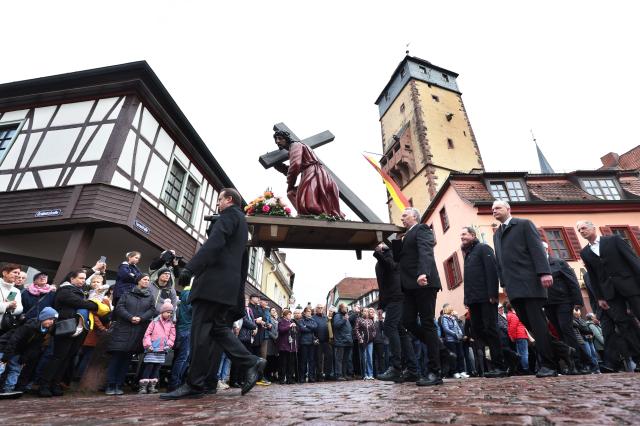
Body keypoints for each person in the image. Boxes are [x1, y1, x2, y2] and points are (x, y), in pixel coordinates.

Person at [161, 188, 266, 400]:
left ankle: (194, 384)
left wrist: (190, 269)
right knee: (218, 330)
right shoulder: (241, 224)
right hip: (225, 288)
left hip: (211, 286)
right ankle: (249, 363)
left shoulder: (228, 217)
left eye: (219, 199)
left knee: (199, 336)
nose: (217, 203)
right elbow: (242, 262)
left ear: (229, 200)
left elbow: (213, 243)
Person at [492, 200, 557, 377]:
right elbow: (500, 262)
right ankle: (565, 352)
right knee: (532, 326)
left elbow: (537, 249)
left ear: (508, 209)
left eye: (498, 207)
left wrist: (544, 272)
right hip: (513, 287)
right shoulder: (497, 234)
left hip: (530, 283)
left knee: (538, 325)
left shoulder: (523, 224)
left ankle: (549, 365)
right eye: (492, 209)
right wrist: (503, 283)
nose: (494, 211)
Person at [577, 220, 640, 367]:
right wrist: (599, 297)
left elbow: (632, 260)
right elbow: (593, 276)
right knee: (623, 324)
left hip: (630, 285)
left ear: (593, 227)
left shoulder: (613, 240)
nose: (581, 231)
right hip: (609, 293)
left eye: (584, 228)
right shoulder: (585, 252)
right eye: (579, 230)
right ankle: (638, 358)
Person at [393, 207, 443, 386]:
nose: (402, 218)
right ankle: (441, 349)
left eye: (405, 215)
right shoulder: (405, 237)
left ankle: (434, 372)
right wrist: (388, 246)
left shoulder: (422, 229)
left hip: (424, 282)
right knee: (407, 321)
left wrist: (423, 273)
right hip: (409, 287)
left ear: (414, 216)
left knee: (428, 323)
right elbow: (399, 259)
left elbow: (425, 251)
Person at [38, 270, 99, 397]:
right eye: (81, 278)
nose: (83, 280)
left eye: (84, 278)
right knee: (58, 357)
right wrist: (92, 303)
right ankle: (44, 385)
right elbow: (81, 303)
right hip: (65, 327)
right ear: (71, 278)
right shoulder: (65, 290)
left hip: (79, 328)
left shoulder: (80, 292)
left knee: (68, 357)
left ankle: (55, 384)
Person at [460, 227, 507, 378]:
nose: (462, 237)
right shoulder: (468, 254)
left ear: (473, 235)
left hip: (486, 298)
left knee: (491, 329)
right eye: (461, 235)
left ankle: (500, 366)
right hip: (473, 300)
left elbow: (492, 271)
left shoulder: (483, 248)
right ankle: (509, 356)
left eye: (464, 234)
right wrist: (466, 299)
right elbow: (469, 280)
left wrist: (493, 293)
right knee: (478, 330)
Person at [542, 241, 589, 374]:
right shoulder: (537, 266)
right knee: (559, 332)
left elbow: (572, 280)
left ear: (545, 250)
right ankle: (572, 362)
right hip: (548, 303)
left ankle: (579, 362)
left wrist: (578, 301)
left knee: (566, 329)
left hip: (564, 301)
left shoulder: (558, 262)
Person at [374, 243, 419, 383]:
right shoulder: (379, 262)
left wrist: (381, 253)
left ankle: (396, 368)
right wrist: (381, 305)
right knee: (400, 331)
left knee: (390, 327)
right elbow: (382, 285)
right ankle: (412, 370)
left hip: (397, 297)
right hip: (390, 299)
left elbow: (391, 266)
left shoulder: (391, 255)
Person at [273, 129, 343, 218]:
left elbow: (295, 165)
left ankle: (314, 216)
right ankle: (312, 216)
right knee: (293, 194)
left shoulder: (295, 145)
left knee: (309, 203)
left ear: (286, 138)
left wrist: (290, 184)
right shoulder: (296, 148)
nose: (277, 141)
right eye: (276, 140)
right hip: (313, 173)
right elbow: (294, 169)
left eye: (280, 138)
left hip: (313, 173)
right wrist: (280, 167)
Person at [105, 273, 155, 396]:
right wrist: (130, 317)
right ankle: (110, 385)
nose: (146, 281)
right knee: (116, 358)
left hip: (138, 331)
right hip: (123, 329)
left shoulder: (150, 297)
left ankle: (119, 384)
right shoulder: (127, 294)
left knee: (127, 360)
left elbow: (152, 310)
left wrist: (141, 318)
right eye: (144, 279)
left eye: (148, 280)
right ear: (138, 280)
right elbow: (119, 307)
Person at [0, 307, 58, 394]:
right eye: (50, 319)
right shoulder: (29, 326)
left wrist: (25, 357)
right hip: (5, 347)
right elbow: (14, 339)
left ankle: (9, 388)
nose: (51, 322)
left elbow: (33, 347)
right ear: (43, 317)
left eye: (53, 320)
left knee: (16, 369)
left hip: (18, 351)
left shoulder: (44, 331)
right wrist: (6, 355)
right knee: (1, 367)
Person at [140, 299, 176, 394]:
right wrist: (148, 345)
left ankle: (152, 386)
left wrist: (168, 344)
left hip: (162, 349)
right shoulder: (154, 322)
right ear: (162, 312)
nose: (169, 315)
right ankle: (143, 386)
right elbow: (147, 334)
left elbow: (172, 336)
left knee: (157, 367)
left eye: (171, 313)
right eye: (168, 312)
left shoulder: (171, 324)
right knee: (149, 366)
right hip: (152, 349)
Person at [168, 283, 192, 391]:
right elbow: (193, 309)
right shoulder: (189, 294)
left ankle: (178, 383)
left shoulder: (185, 293)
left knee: (183, 358)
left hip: (184, 329)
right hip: (186, 330)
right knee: (183, 358)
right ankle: (175, 384)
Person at [440, 305, 467, 379]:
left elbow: (458, 327)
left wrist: (460, 334)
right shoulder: (444, 318)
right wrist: (455, 334)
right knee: (454, 357)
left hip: (457, 340)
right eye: (451, 310)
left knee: (460, 355)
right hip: (450, 340)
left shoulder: (453, 318)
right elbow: (446, 329)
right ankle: (455, 372)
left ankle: (462, 371)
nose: (453, 311)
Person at [1, 264, 23, 336]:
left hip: (5, 327)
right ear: (4, 273)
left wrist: (14, 308)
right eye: (14, 272)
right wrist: (7, 305)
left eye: (18, 273)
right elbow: (7, 304)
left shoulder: (15, 291)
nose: (17, 275)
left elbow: (20, 308)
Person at [277, 309, 298, 384]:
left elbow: (295, 333)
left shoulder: (291, 322)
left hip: (291, 346)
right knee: (283, 363)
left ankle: (290, 379)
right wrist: (289, 326)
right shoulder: (281, 322)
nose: (290, 316)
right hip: (283, 346)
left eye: (290, 314)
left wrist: (294, 327)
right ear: (285, 315)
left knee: (290, 363)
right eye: (289, 314)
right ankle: (282, 379)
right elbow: (281, 330)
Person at [313, 304, 333, 381]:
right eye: (319, 308)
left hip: (327, 341)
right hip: (318, 341)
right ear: (316, 309)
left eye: (321, 308)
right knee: (319, 359)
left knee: (329, 357)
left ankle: (327, 374)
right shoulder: (313, 318)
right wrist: (314, 338)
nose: (320, 309)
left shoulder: (326, 317)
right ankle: (319, 375)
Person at [297, 306, 318, 383]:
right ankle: (302, 377)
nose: (309, 313)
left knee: (311, 361)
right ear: (305, 312)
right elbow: (302, 329)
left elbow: (315, 327)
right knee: (303, 361)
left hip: (312, 343)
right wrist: (310, 328)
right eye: (308, 311)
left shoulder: (313, 320)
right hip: (304, 342)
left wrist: (307, 326)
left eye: (310, 311)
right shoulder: (301, 321)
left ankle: (311, 377)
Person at [333, 303, 353, 381]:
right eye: (345, 307)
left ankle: (344, 374)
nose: (346, 309)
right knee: (339, 359)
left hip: (347, 341)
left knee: (345, 359)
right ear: (341, 308)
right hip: (340, 341)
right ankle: (339, 375)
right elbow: (336, 325)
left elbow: (348, 328)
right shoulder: (337, 316)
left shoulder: (346, 316)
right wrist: (344, 319)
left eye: (347, 308)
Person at [355, 308, 376, 380]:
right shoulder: (359, 320)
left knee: (370, 357)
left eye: (367, 311)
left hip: (370, 342)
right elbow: (356, 329)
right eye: (364, 311)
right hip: (362, 342)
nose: (366, 312)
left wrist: (372, 337)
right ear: (362, 312)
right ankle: (365, 374)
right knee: (364, 358)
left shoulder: (370, 320)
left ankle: (370, 374)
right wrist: (360, 338)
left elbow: (374, 330)